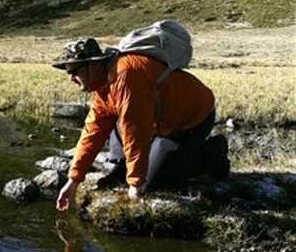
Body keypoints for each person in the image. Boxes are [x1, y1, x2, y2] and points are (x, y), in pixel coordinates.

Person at [54, 36, 230, 211]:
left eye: (74, 71)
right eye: (68, 72)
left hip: (191, 120)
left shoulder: (126, 75)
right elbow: (92, 133)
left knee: (155, 181)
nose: (71, 77)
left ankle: (214, 153)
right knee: (117, 128)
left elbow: (136, 132)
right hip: (156, 122)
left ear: (91, 65)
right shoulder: (101, 84)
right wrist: (73, 181)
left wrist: (136, 185)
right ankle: (125, 168)